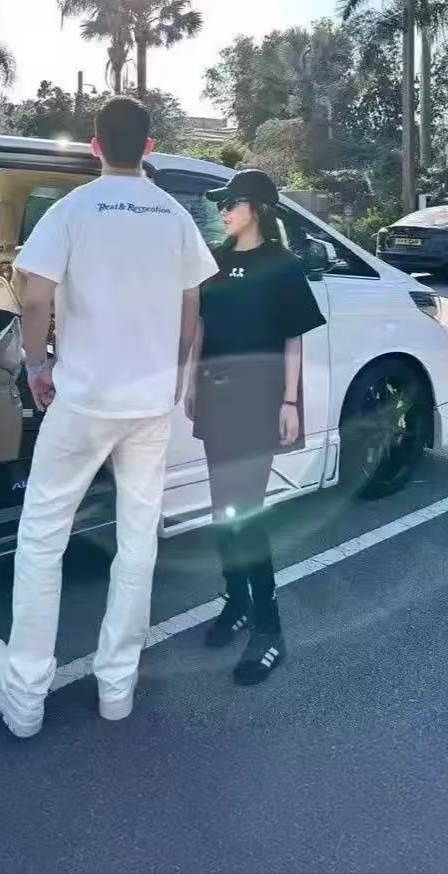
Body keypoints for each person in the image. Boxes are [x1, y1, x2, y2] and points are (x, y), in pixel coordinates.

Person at [0, 97, 216, 737]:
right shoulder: (174, 215)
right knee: (138, 539)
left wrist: (35, 366)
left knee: (42, 537)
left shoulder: (73, 210)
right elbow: (191, 307)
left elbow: (35, 300)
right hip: (149, 406)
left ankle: (25, 691)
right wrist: (176, 373)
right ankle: (117, 686)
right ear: (150, 147)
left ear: (94, 146)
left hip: (82, 401)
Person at [184, 169, 326, 685]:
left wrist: (290, 401)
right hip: (215, 397)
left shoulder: (281, 265)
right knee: (222, 510)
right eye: (221, 204)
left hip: (260, 401)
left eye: (232, 202)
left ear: (258, 208)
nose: (222, 211)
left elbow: (293, 338)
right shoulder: (214, 261)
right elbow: (202, 324)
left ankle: (270, 628)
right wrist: (192, 380)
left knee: (246, 513)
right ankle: (237, 600)